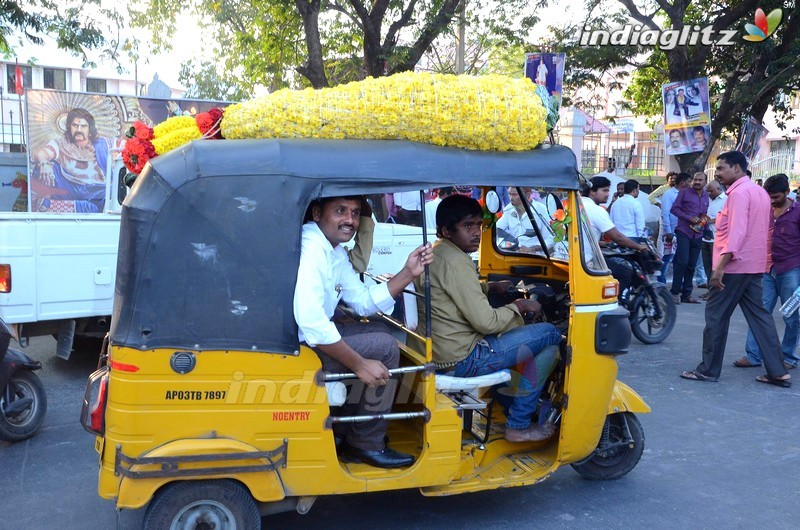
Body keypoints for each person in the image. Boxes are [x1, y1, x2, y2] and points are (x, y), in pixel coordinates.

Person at [294, 195, 434, 467]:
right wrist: (359, 365)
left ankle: (345, 432)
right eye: (340, 211)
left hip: (309, 338)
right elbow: (312, 324)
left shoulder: (331, 249)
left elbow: (362, 302)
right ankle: (366, 442)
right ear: (317, 213)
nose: (350, 220)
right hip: (300, 346)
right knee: (385, 347)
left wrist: (407, 272)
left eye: (355, 213)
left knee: (381, 329)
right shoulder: (311, 248)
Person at [415, 194, 561, 442]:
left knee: (523, 339)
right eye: (467, 226)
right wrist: (519, 305)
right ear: (446, 231)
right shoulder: (457, 262)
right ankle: (518, 423)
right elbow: (486, 322)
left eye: (478, 225)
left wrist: (491, 288)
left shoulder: (439, 253)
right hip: (464, 359)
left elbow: (454, 294)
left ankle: (511, 402)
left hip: (439, 352)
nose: (476, 233)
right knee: (549, 335)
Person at [681, 151, 791, 387]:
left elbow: (737, 232)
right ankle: (778, 371)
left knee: (716, 317)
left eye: (721, 168)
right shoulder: (758, 192)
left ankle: (708, 370)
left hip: (734, 266)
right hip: (752, 265)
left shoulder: (740, 193)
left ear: (737, 169)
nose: (718, 173)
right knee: (761, 317)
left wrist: (719, 268)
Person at [733, 174, 800, 370]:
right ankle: (753, 355)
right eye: (768, 196)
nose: (771, 200)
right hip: (765, 268)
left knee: (791, 316)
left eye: (776, 197)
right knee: (759, 313)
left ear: (788, 193)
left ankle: (788, 356)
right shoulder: (764, 210)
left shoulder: (797, 212)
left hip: (791, 269)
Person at [31, 108, 114, 213]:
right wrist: (44, 164)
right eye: (75, 125)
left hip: (96, 189)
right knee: (42, 167)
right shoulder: (61, 144)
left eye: (83, 126)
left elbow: (125, 148)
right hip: (70, 188)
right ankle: (43, 206)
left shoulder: (104, 144)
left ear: (90, 129)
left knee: (113, 192)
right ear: (69, 127)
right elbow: (42, 152)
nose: (79, 129)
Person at [582, 176, 648, 300]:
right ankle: (614, 303)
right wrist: (640, 246)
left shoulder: (577, 204)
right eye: (605, 190)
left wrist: (600, 242)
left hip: (578, 256)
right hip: (588, 260)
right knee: (625, 272)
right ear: (592, 191)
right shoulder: (596, 210)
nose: (608, 194)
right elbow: (618, 237)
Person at [670, 172, 708, 304]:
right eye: (695, 179)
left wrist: (706, 229)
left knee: (692, 265)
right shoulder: (684, 193)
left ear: (705, 182)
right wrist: (689, 217)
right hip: (684, 232)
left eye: (700, 180)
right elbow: (674, 209)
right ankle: (674, 292)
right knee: (682, 262)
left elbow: (704, 214)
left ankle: (687, 294)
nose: (697, 182)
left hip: (698, 233)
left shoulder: (706, 196)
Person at [495, 186, 553, 253]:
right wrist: (509, 241)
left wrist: (532, 248)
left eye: (514, 195)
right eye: (509, 194)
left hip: (534, 257)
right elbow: (497, 228)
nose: (511, 198)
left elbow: (550, 238)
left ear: (527, 195)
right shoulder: (509, 209)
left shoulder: (541, 210)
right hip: (512, 255)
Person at [659, 172, 691, 283]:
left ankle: (678, 283)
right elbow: (665, 213)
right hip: (671, 231)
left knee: (681, 259)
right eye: (689, 181)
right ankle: (661, 281)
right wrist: (668, 231)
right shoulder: (669, 194)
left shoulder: (688, 194)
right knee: (668, 257)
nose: (691, 183)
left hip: (684, 231)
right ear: (682, 183)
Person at [699, 180, 727, 300]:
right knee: (707, 266)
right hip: (706, 237)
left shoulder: (726, 200)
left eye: (711, 191)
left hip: (717, 238)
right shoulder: (709, 200)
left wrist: (710, 221)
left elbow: (727, 216)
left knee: (716, 267)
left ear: (718, 189)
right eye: (708, 191)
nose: (708, 193)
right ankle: (710, 290)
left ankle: (717, 292)